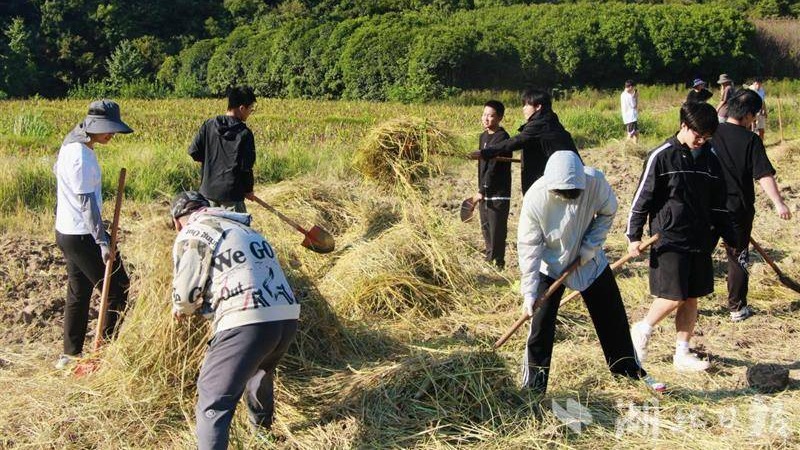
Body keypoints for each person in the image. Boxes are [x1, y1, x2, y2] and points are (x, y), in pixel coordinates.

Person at [517, 151, 663, 394]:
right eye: (562, 193)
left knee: (612, 316)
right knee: (540, 326)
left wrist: (589, 247)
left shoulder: (595, 182)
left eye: (574, 192)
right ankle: (533, 387)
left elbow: (608, 212)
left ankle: (627, 372)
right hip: (550, 266)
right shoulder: (536, 197)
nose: (569, 197)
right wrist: (530, 292)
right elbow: (529, 248)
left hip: (590, 262)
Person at [170, 191, 299, 450]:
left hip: (245, 319)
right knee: (259, 371)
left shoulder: (194, 232)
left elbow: (185, 295)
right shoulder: (243, 228)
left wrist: (180, 309)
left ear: (177, 221)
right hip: (286, 316)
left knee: (213, 399)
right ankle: (262, 434)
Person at [627, 102, 737, 372]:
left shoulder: (711, 159)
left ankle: (682, 353)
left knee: (691, 297)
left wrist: (727, 232)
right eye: (698, 135)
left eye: (707, 137)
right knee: (674, 295)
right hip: (668, 238)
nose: (701, 141)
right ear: (684, 126)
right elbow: (642, 199)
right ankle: (642, 329)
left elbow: (719, 201)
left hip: (700, 238)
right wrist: (634, 235)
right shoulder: (662, 156)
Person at [53, 99, 133, 369]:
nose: (112, 134)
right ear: (94, 126)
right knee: (117, 288)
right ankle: (104, 355)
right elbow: (86, 204)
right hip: (83, 234)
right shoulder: (81, 156)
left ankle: (70, 354)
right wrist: (102, 241)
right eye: (108, 129)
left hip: (67, 231)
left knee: (79, 290)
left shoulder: (71, 145)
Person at [712, 89, 791, 321]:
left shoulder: (710, 133)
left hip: (706, 207)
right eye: (754, 116)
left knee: (699, 253)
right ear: (747, 115)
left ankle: (685, 300)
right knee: (738, 258)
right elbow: (764, 174)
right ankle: (737, 308)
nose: (754, 120)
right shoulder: (751, 140)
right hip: (738, 209)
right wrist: (779, 203)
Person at [470, 88, 579, 194]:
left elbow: (516, 141)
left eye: (526, 105)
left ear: (538, 107)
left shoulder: (540, 124)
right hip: (570, 173)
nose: (523, 108)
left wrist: (485, 152)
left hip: (558, 179)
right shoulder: (551, 122)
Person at [189, 86, 257, 213]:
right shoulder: (245, 134)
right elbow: (245, 168)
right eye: (250, 109)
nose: (250, 112)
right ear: (242, 108)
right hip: (232, 198)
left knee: (210, 231)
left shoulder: (209, 125)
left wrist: (212, 162)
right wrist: (248, 190)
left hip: (207, 195)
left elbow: (194, 152)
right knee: (236, 231)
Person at [473, 100, 511, 269]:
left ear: (500, 117)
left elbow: (493, 167)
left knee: (497, 228)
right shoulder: (483, 137)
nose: (486, 118)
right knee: (486, 226)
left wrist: (483, 189)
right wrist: (480, 188)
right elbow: (482, 167)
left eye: (491, 115)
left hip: (498, 191)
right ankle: (490, 259)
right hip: (484, 190)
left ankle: (498, 262)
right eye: (484, 114)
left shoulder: (502, 138)